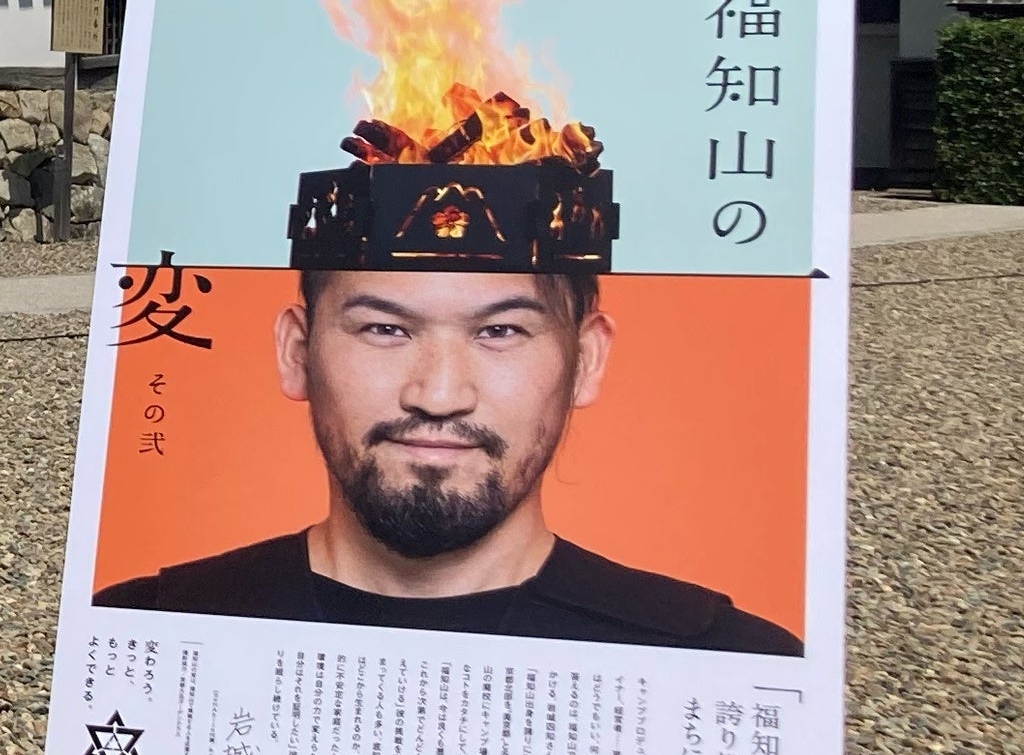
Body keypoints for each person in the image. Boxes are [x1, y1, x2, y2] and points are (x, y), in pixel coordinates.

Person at [95, 256, 803, 656]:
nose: (438, 392)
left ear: (585, 360)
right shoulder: (143, 637)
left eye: (499, 330)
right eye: (383, 327)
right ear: (296, 352)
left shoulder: (726, 662)